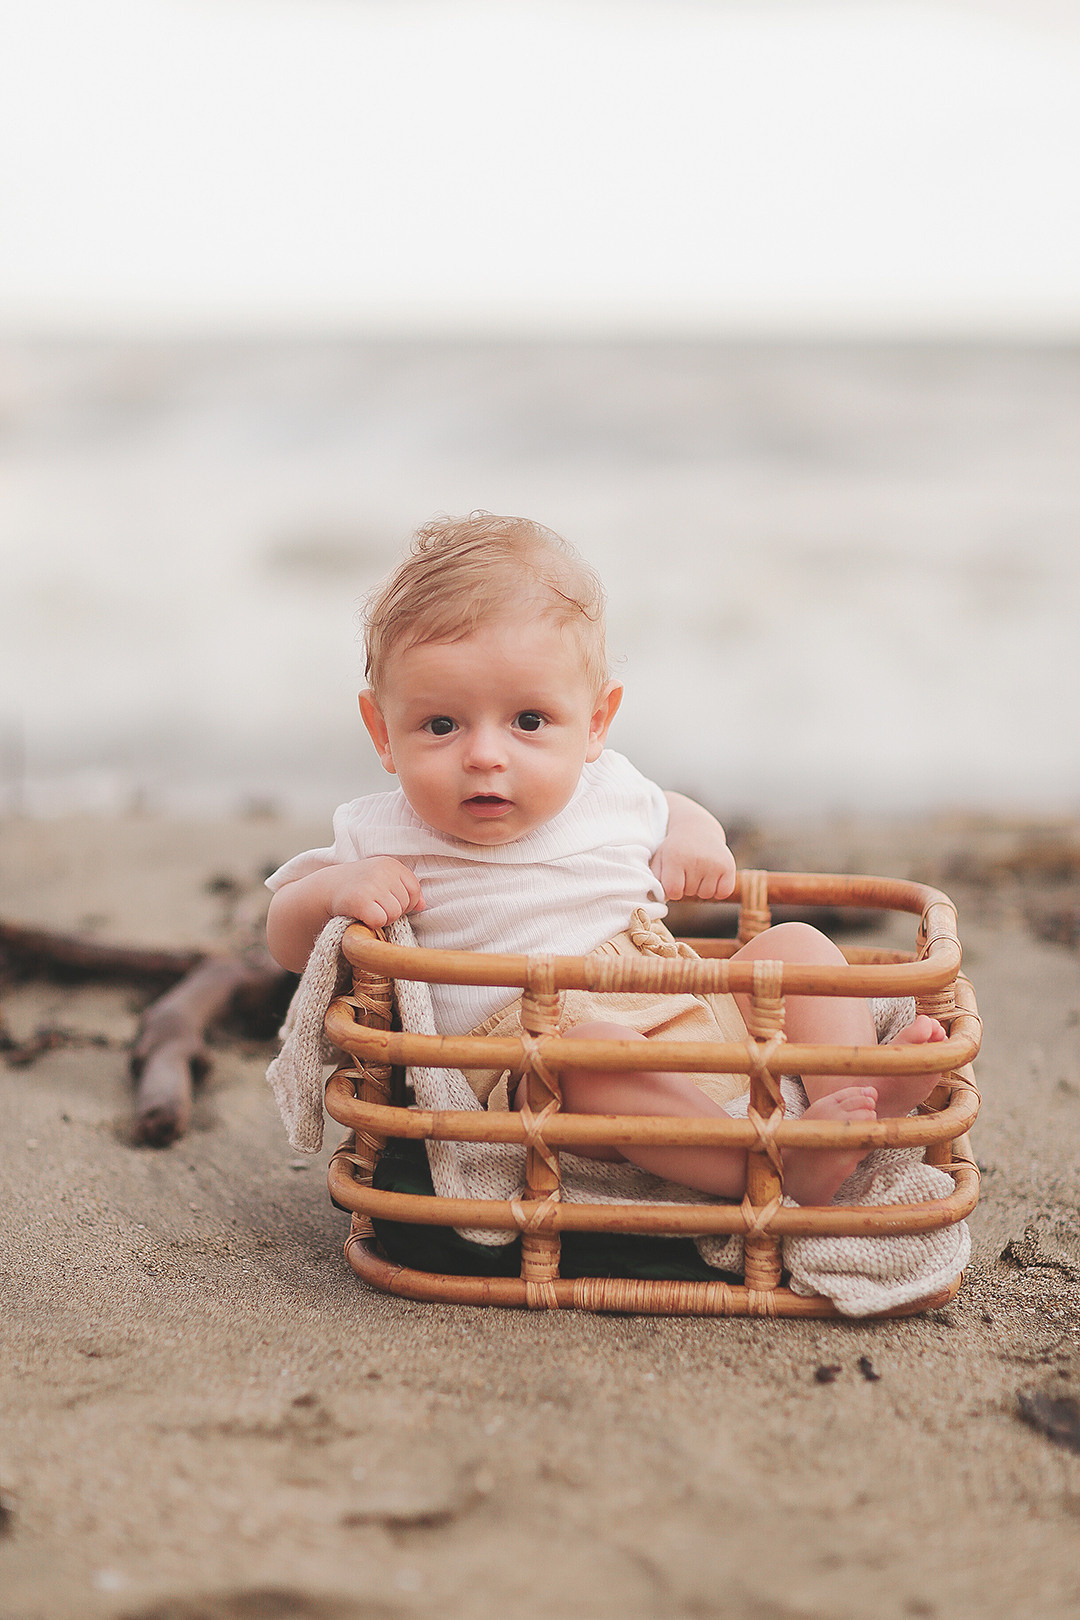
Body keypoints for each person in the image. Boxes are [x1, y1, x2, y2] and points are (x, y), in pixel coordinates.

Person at [266, 512, 946, 1206]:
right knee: (587, 1055)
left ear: (594, 724)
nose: (485, 755)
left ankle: (854, 1090)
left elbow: (672, 808)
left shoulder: (611, 787)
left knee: (797, 946)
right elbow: (288, 940)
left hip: (674, 997)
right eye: (441, 725)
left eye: (529, 721)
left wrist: (694, 835)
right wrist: (335, 890)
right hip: (537, 1062)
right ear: (382, 731)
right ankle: (770, 1166)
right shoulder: (378, 831)